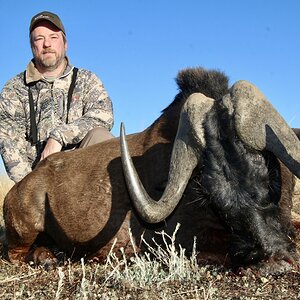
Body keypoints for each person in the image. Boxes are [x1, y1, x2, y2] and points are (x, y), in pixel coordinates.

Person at [0, 11, 114, 183]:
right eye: (39, 39)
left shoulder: (86, 79)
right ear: (32, 46)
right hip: (38, 181)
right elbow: (8, 140)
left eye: (53, 37)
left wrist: (59, 136)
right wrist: (31, 186)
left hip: (83, 176)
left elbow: (103, 115)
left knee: (102, 138)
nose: (47, 44)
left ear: (65, 43)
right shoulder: (14, 88)